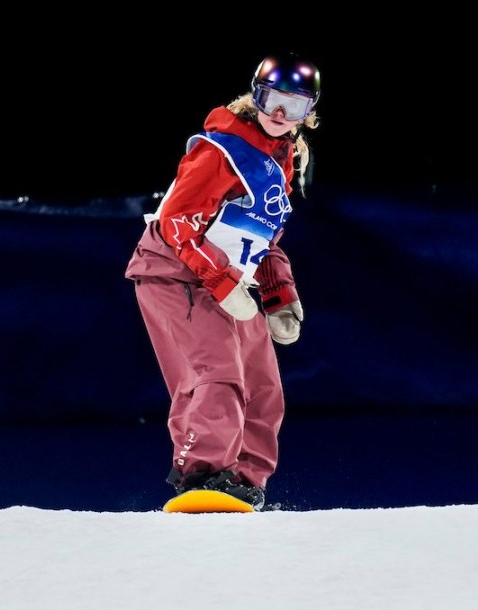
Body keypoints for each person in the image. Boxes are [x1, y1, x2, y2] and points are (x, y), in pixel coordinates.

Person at [125, 54, 321, 510]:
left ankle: (245, 480)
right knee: (218, 375)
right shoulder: (221, 151)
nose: (279, 115)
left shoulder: (284, 159)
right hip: (175, 274)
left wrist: (278, 296)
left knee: (264, 386)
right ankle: (204, 474)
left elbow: (263, 237)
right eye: (272, 101)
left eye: (292, 107)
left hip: (231, 280)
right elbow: (176, 224)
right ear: (256, 96)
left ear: (307, 113)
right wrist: (222, 283)